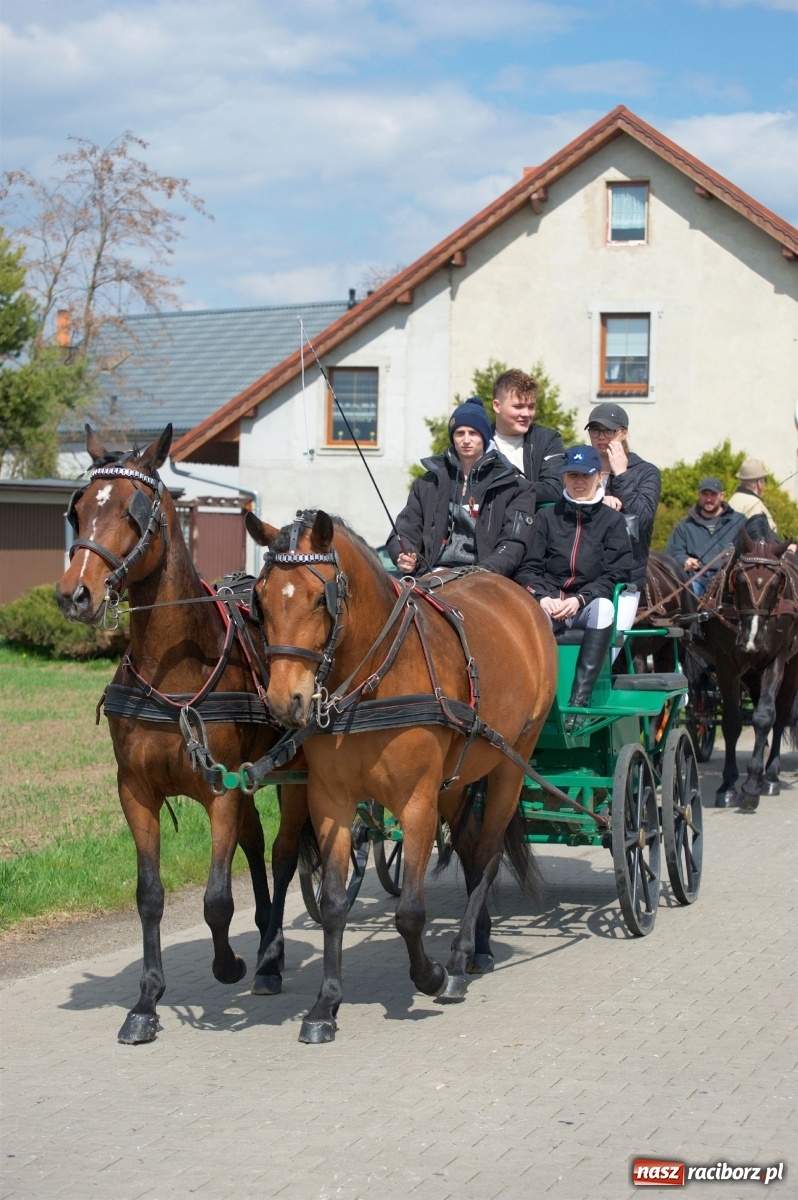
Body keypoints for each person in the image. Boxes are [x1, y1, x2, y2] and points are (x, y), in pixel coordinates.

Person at [514, 445, 634, 730]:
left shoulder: (613, 522)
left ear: (600, 477)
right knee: (529, 614)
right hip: (550, 603)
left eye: (585, 475)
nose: (578, 482)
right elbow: (529, 567)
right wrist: (542, 597)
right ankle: (532, 705)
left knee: (604, 608)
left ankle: (579, 702)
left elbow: (616, 573)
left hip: (587, 605)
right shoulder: (545, 517)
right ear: (563, 478)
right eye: (571, 476)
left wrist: (581, 599)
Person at [387, 398, 536, 577]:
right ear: (453, 437)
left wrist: (483, 572)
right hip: (430, 575)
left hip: (485, 579)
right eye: (460, 433)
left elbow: (514, 543)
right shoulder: (427, 484)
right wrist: (405, 555)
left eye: (473, 433)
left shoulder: (515, 486)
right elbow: (405, 530)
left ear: (484, 436)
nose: (466, 440)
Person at [584, 402, 660, 626]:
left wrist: (622, 474)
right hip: (582, 576)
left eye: (609, 430)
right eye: (595, 430)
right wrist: (596, 502)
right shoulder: (582, 470)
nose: (601, 436)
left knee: (609, 647)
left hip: (624, 580)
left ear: (624, 433)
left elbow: (642, 519)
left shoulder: (646, 472)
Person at [491, 368, 565, 505]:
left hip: (534, 524)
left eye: (531, 406)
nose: (526, 414)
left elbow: (555, 489)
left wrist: (501, 489)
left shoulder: (548, 440)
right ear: (497, 406)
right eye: (518, 406)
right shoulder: (480, 442)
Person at [665, 478, 747, 597]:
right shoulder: (685, 526)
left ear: (722, 495)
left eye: (713, 494)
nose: (709, 499)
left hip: (730, 579)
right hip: (696, 578)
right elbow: (672, 553)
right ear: (698, 495)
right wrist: (685, 560)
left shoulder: (739, 521)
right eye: (705, 494)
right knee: (686, 599)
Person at [728, 458, 779, 535]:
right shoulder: (756, 506)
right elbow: (767, 538)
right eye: (764, 480)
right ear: (759, 483)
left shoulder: (732, 500)